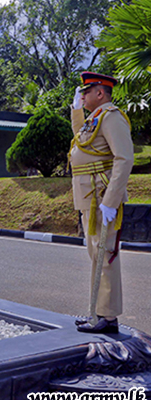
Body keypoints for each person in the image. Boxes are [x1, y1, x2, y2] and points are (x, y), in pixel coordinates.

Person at [69, 72, 134, 334]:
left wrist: (111, 200)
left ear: (100, 93)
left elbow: (124, 158)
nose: (82, 96)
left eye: (86, 92)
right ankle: (98, 312)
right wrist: (76, 113)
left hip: (101, 197)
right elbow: (81, 144)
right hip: (89, 197)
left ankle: (107, 317)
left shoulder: (111, 117)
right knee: (96, 254)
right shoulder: (95, 119)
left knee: (105, 255)